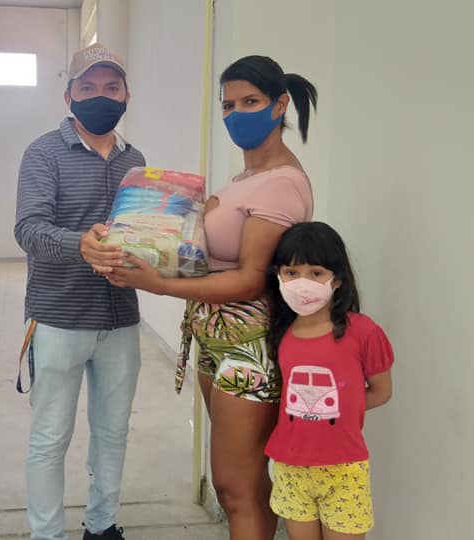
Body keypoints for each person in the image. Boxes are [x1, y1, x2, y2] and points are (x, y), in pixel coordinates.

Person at [103, 56, 317, 540]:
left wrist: (158, 285)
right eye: (228, 105)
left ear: (280, 105)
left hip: (250, 346)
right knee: (236, 485)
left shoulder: (281, 183)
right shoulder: (245, 179)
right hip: (216, 340)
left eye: (250, 102)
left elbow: (250, 280)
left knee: (238, 487)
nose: (236, 114)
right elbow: (210, 257)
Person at [13, 43, 145, 540]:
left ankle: (102, 525)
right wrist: (81, 245)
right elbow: (29, 228)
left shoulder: (136, 160)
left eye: (111, 87)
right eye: (87, 88)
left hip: (119, 317)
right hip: (58, 317)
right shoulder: (44, 152)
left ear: (127, 95)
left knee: (113, 431)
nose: (100, 96)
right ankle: (46, 534)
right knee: (50, 437)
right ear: (69, 97)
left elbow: (141, 233)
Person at [264, 221, 394, 540]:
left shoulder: (363, 332)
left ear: (336, 279)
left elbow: (381, 392)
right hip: (291, 467)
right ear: (278, 275)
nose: (302, 283)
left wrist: (341, 409)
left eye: (316, 273)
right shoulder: (281, 334)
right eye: (291, 272)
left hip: (344, 469)